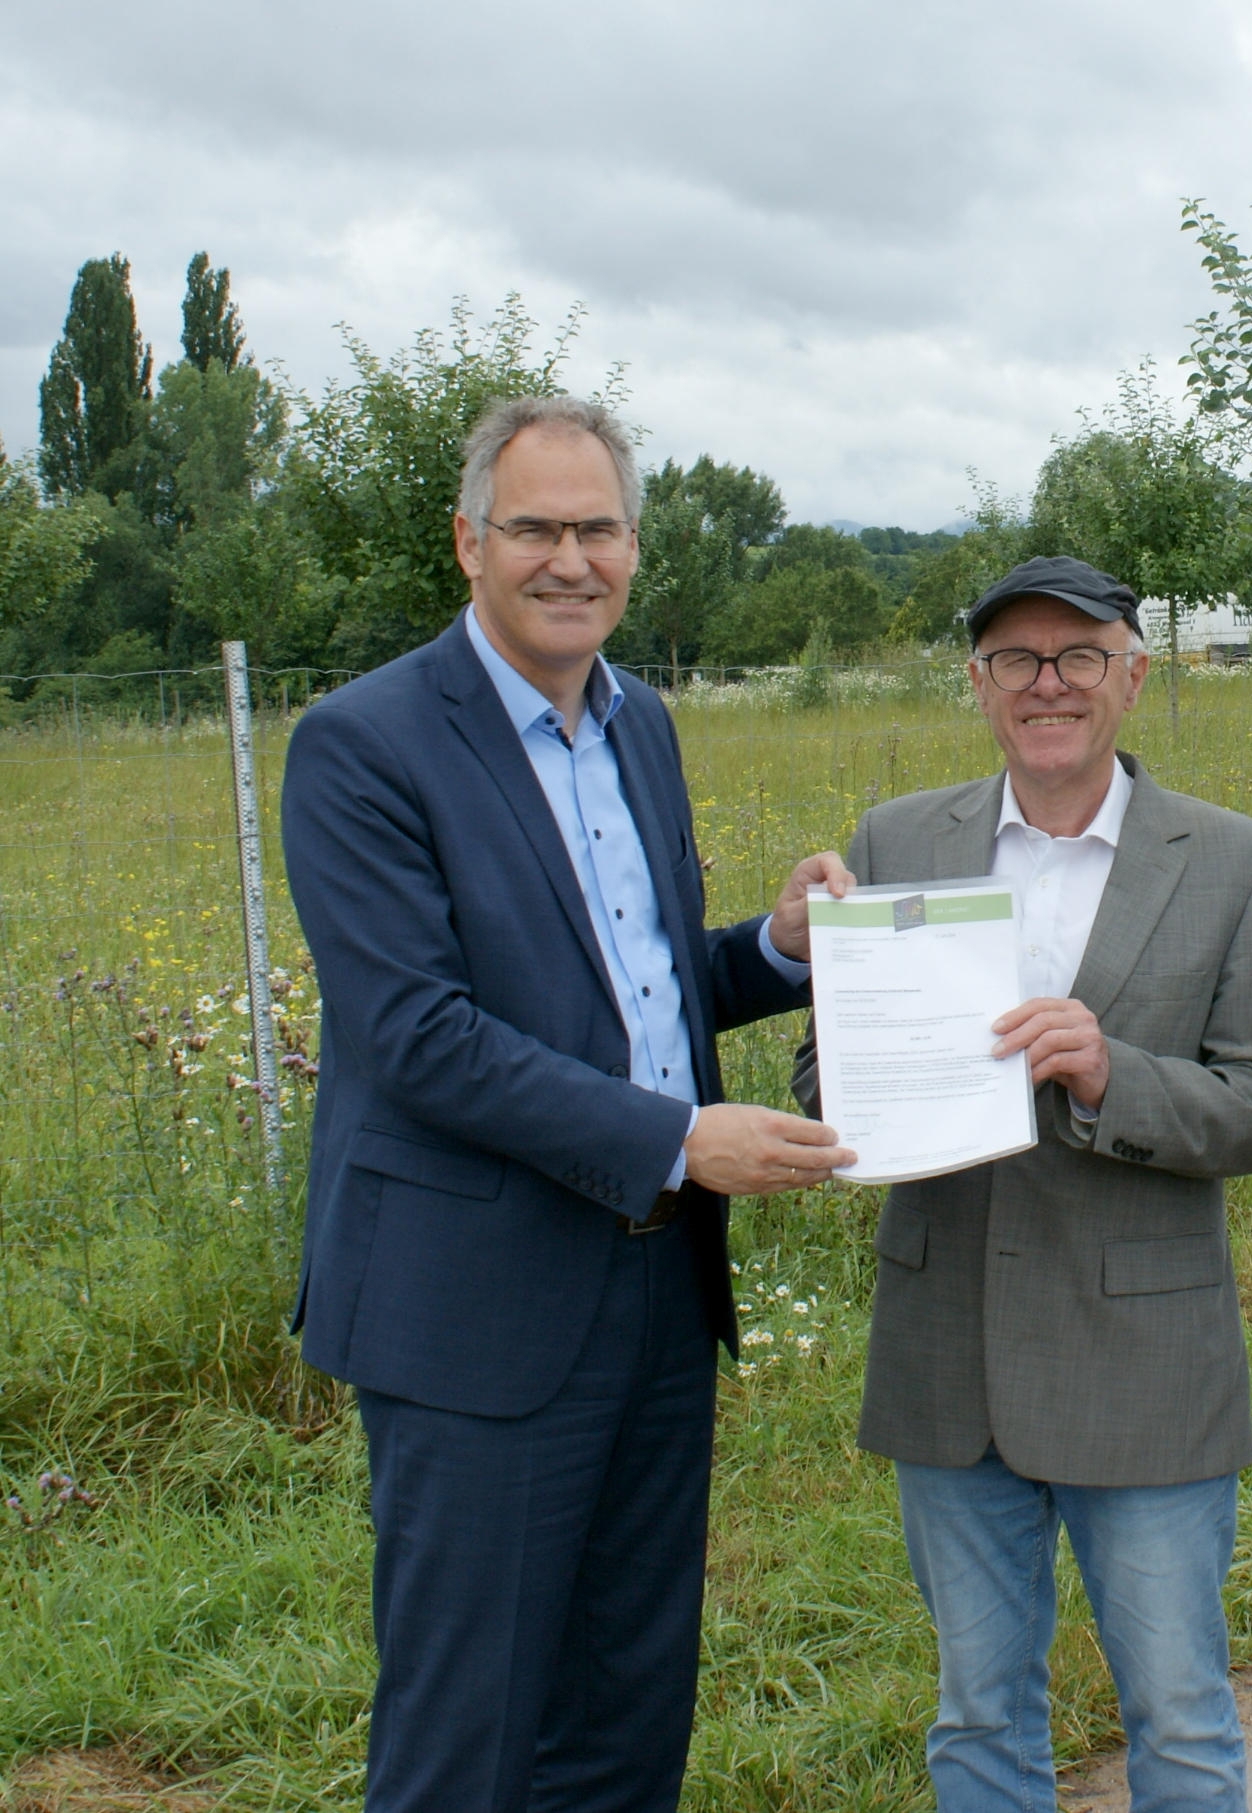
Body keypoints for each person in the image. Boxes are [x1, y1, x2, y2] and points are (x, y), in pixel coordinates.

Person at [281, 394, 857, 1813]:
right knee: (466, 1730)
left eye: (596, 528)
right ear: (468, 542)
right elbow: (417, 1035)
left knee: (626, 1704)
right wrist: (676, 1137)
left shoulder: (636, 725)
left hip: (658, 1287)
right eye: (533, 527)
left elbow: (633, 991)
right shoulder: (362, 746)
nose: (568, 558)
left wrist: (774, 949)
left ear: (633, 547)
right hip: (476, 1308)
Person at [790, 554, 1252, 1813]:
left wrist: (1110, 1076)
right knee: (978, 1719)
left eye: (1080, 656)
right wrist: (844, 1084)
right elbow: (826, 1067)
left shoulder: (1241, 864)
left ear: (1133, 677)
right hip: (948, 1357)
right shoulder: (894, 839)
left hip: (1145, 1362)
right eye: (1017, 660)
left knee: (1180, 1719)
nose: (1049, 684)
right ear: (979, 685)